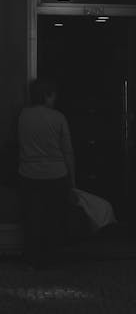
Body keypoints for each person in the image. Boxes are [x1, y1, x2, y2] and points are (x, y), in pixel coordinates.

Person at [18, 78, 76, 268]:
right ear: (46, 95)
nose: (55, 99)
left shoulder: (23, 116)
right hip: (56, 174)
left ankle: (32, 257)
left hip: (29, 174)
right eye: (52, 95)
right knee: (54, 218)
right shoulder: (58, 118)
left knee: (33, 217)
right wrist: (71, 180)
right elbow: (67, 151)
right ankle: (52, 257)